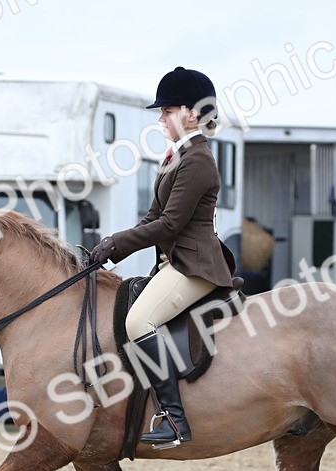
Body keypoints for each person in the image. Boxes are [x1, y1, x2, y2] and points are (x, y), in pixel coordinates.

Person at [90, 67, 235, 447]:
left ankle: (173, 419)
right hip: (176, 263)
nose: (160, 119)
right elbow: (153, 217)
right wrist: (110, 247)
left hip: (195, 266)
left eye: (167, 111)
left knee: (139, 322)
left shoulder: (198, 159)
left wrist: (119, 245)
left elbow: (170, 225)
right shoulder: (176, 156)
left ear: (191, 113)